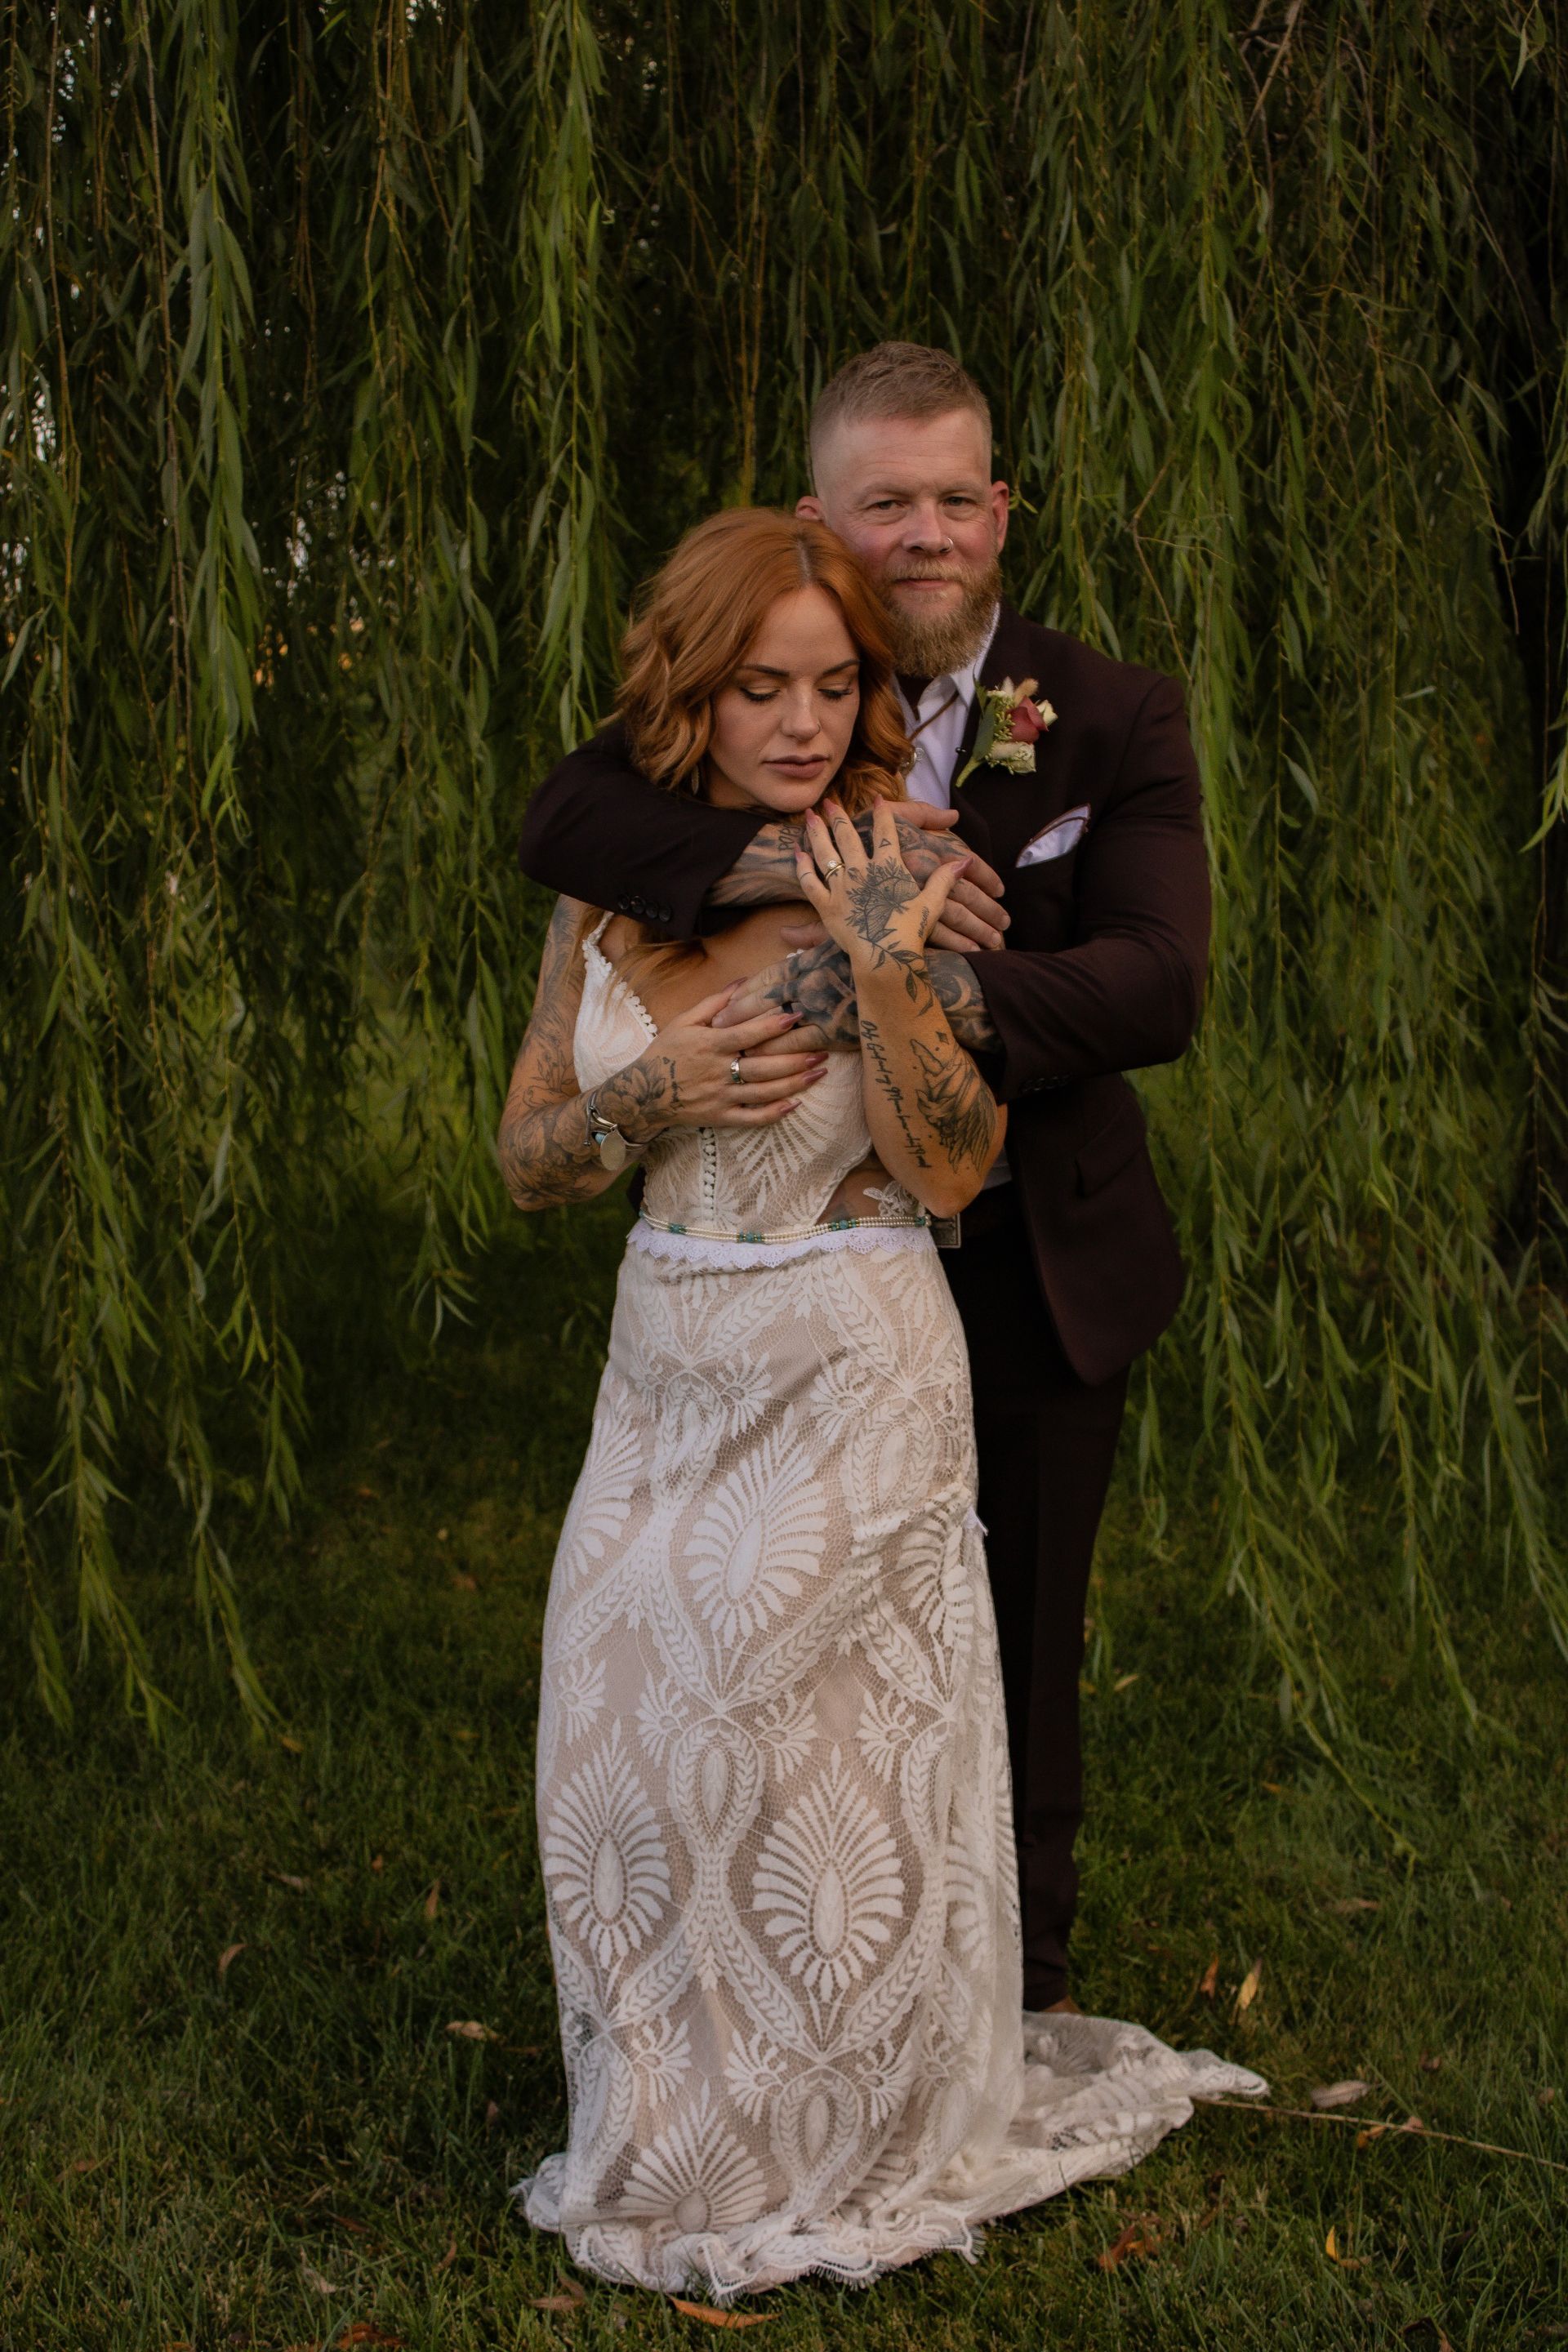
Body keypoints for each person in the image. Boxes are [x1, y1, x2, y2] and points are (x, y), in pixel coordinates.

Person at [500, 509, 1258, 2300]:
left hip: (854, 1357)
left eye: (832, 685)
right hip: (664, 1365)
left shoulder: (897, 868)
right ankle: (671, 2118)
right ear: (688, 688)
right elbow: (534, 1158)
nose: (793, 717)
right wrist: (653, 1092)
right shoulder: (613, 884)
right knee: (629, 1746)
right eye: (756, 684)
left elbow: (946, 1162)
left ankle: (848, 2126)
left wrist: (896, 956)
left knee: (819, 1765)